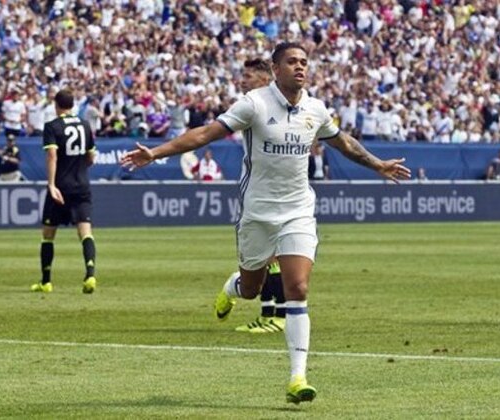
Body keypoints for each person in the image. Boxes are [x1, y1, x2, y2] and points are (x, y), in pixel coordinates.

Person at [121, 42, 411, 404]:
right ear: (276, 68)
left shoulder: (315, 109)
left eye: (304, 62)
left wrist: (378, 164)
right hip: (257, 213)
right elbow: (205, 134)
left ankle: (297, 377)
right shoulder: (254, 104)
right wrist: (156, 152)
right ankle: (232, 287)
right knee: (252, 288)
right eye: (292, 61)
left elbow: (343, 143)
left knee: (298, 288)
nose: (300, 67)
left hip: (298, 210)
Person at [233, 57, 288, 334]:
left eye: (248, 76)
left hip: (276, 193)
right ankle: (269, 315)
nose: (243, 81)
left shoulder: (279, 104)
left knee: (272, 258)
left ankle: (278, 315)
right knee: (266, 257)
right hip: (263, 190)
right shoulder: (252, 104)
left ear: (265, 78)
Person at [31, 89, 98, 295]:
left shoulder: (52, 126)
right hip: (81, 185)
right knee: (85, 232)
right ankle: (90, 274)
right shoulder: (85, 125)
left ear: (56, 105)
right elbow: (91, 158)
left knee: (48, 235)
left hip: (60, 186)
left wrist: (51, 184)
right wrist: (78, 168)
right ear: (72, 104)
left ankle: (46, 281)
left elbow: (52, 155)